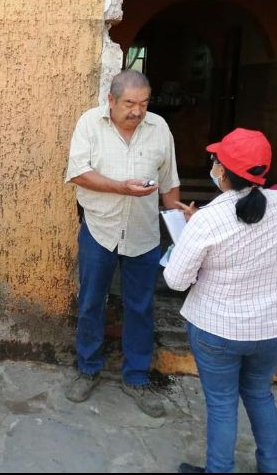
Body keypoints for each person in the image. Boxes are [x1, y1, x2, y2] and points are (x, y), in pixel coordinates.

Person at [164, 129, 277, 473]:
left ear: (222, 171)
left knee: (222, 405)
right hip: (275, 330)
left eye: (215, 160)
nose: (213, 165)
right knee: (260, 394)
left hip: (220, 332)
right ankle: (272, 468)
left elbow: (176, 280)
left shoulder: (209, 219)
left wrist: (190, 236)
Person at [64, 69, 181, 417]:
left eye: (143, 103)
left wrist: (181, 224)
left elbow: (169, 183)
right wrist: (120, 187)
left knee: (141, 307)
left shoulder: (159, 128)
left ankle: (136, 377)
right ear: (111, 101)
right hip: (100, 229)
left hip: (144, 234)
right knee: (90, 303)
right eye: (129, 103)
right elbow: (78, 173)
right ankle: (87, 369)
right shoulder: (90, 123)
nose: (137, 111)